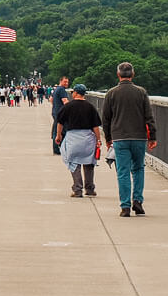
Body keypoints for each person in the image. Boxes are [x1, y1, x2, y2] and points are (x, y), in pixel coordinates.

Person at [101, 62, 158, 217]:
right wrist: (152, 136)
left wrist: (108, 138)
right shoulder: (141, 92)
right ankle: (137, 201)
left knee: (123, 171)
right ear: (132, 75)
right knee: (138, 169)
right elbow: (149, 116)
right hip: (139, 137)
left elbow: (106, 118)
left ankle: (125, 207)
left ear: (118, 75)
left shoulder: (111, 93)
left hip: (120, 138)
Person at [54, 84, 102, 198]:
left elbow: (60, 122)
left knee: (74, 163)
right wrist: (98, 140)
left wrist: (58, 135)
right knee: (89, 163)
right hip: (88, 138)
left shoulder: (68, 106)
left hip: (73, 138)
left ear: (75, 93)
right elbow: (95, 126)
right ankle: (90, 189)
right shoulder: (90, 107)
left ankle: (77, 189)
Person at [51, 76, 71, 155]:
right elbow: (65, 101)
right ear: (60, 81)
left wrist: (56, 106)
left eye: (67, 82)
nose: (66, 83)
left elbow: (51, 99)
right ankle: (58, 149)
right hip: (61, 114)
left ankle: (57, 148)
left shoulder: (56, 89)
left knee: (56, 130)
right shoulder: (62, 90)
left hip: (55, 112)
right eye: (65, 82)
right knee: (62, 131)